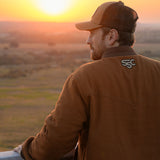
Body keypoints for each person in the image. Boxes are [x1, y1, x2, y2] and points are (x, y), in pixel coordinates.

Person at [15, 1, 160, 160]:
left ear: (111, 36)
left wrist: (25, 151)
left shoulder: (85, 77)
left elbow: (54, 142)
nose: (88, 41)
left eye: (92, 33)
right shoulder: (157, 70)